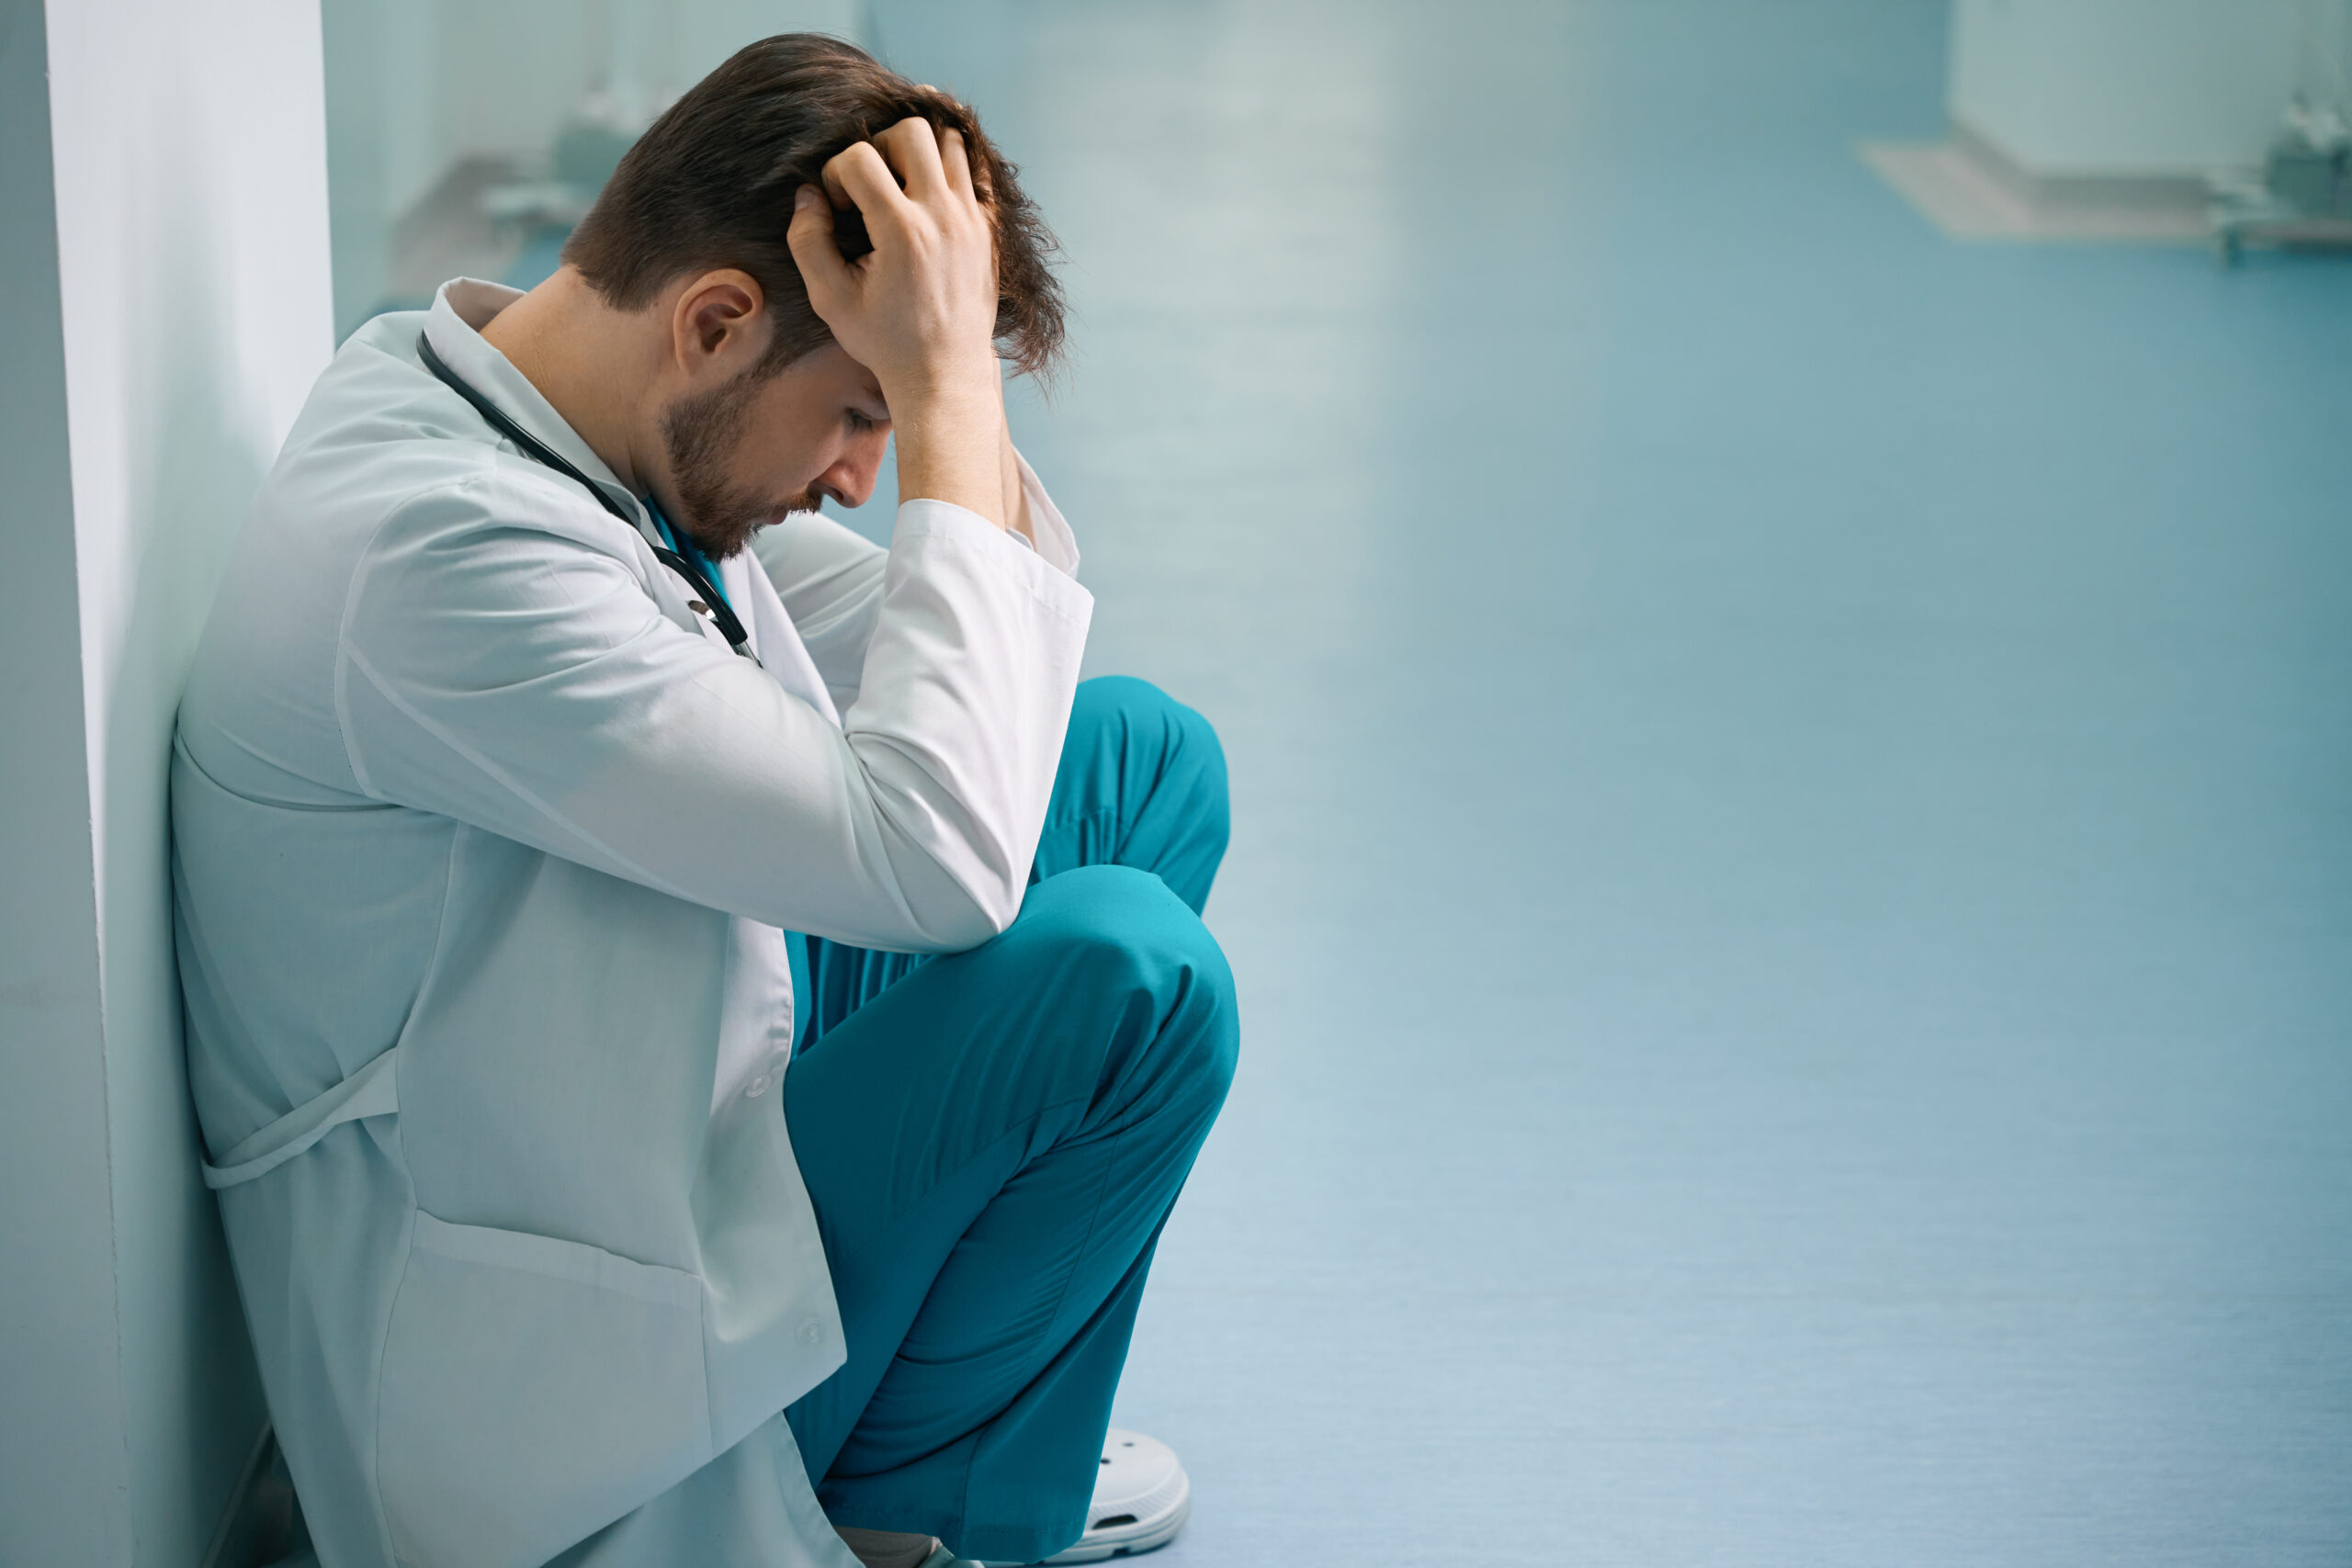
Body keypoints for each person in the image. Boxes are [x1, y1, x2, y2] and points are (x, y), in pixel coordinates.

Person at [171, 34, 1236, 1568]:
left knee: (1140, 756)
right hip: (543, 1379)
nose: (871, 475)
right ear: (720, 322)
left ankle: (961, 1440)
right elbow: (939, 861)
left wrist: (942, 353)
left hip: (642, 1101)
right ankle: (877, 1512)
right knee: (1138, 979)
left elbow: (1001, 637)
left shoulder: (546, 414)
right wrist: (936, 380)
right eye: (859, 417)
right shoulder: (447, 558)